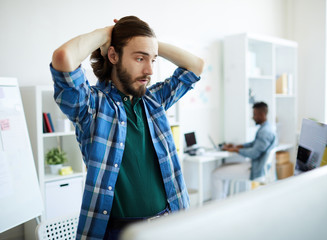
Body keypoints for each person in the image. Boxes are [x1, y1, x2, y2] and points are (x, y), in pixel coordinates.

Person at [50, 16, 204, 239]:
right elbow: (64, 58)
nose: (150, 70)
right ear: (113, 55)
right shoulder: (92, 106)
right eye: (140, 58)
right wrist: (107, 32)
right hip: (118, 232)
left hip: (170, 223)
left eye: (153, 60)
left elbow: (196, 66)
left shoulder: (154, 101)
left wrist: (148, 44)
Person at [212, 102, 276, 200]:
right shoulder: (267, 128)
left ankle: (216, 205)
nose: (252, 117)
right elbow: (254, 144)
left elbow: (253, 153)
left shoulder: (264, 132)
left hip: (254, 169)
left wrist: (235, 150)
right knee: (222, 168)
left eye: (254, 114)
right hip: (255, 165)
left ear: (262, 114)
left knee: (216, 173)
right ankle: (222, 200)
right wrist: (237, 146)